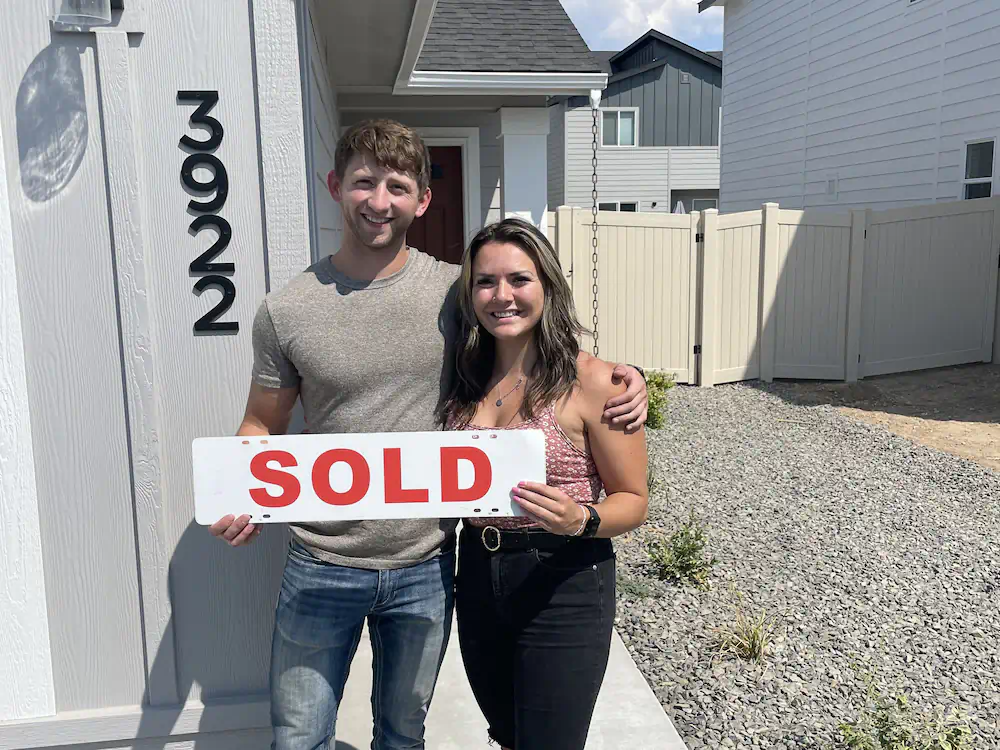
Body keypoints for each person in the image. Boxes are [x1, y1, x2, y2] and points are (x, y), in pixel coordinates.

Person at [206, 119, 650, 750]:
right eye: (363, 182)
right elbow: (262, 422)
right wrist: (242, 484)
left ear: (423, 199)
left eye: (396, 185)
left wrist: (627, 378)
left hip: (427, 561)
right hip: (322, 559)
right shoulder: (287, 310)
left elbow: (531, 326)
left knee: (401, 735)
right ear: (335, 186)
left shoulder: (458, 290)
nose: (379, 201)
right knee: (299, 736)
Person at [442, 217, 649, 750]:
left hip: (563, 578)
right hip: (478, 572)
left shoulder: (595, 380)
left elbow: (634, 500)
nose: (501, 296)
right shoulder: (461, 375)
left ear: (548, 286)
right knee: (508, 733)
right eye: (486, 282)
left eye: (519, 279)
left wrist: (583, 519)